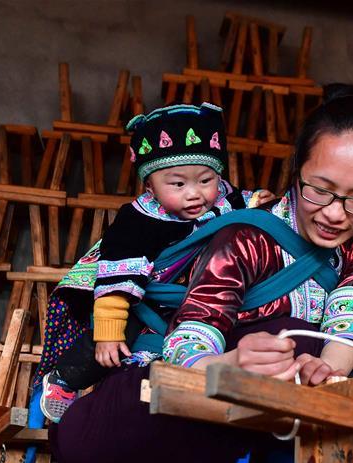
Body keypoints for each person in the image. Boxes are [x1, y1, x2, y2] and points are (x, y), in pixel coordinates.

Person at [48, 85, 353, 463]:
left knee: (314, 356)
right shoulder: (246, 235)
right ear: (297, 172)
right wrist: (233, 365)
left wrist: (322, 371)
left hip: (265, 435)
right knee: (288, 336)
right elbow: (190, 339)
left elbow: (344, 336)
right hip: (181, 403)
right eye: (321, 190)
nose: (336, 214)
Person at [37, 102, 273, 422]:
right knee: (113, 346)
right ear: (150, 185)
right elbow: (114, 283)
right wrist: (108, 332)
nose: (195, 194)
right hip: (135, 300)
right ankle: (65, 378)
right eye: (178, 184)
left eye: (205, 180)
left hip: (194, 302)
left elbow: (240, 200)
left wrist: (259, 201)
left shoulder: (221, 199)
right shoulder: (138, 219)